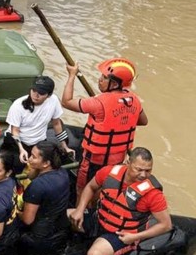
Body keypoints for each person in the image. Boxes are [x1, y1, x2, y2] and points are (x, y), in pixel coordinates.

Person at [68, 147, 172, 255]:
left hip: (122, 234)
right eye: (139, 169)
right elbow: (91, 187)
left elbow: (166, 225)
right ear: (128, 163)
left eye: (148, 170)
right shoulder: (109, 172)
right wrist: (79, 209)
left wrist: (135, 237)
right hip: (99, 219)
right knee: (67, 214)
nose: (143, 175)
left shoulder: (153, 194)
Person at [62, 58, 148, 196]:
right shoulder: (134, 100)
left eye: (104, 77)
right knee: (104, 189)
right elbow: (143, 121)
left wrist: (72, 74)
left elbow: (66, 102)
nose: (100, 80)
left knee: (82, 189)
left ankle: (81, 208)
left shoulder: (98, 103)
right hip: (117, 161)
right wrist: (121, 120)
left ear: (114, 84)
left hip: (93, 161)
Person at [19, 142, 71, 255]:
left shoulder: (37, 186)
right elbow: (31, 176)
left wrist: (16, 211)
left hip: (39, 239)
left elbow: (27, 220)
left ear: (46, 163)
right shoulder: (63, 172)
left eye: (33, 157)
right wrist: (35, 165)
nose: (29, 159)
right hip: (61, 232)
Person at [6, 76, 73, 163]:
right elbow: (15, 131)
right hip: (18, 141)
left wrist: (65, 146)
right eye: (34, 90)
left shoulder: (54, 100)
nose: (36, 95)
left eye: (41, 93)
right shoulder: (18, 105)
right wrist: (21, 149)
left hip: (39, 141)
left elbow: (56, 124)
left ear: (49, 95)